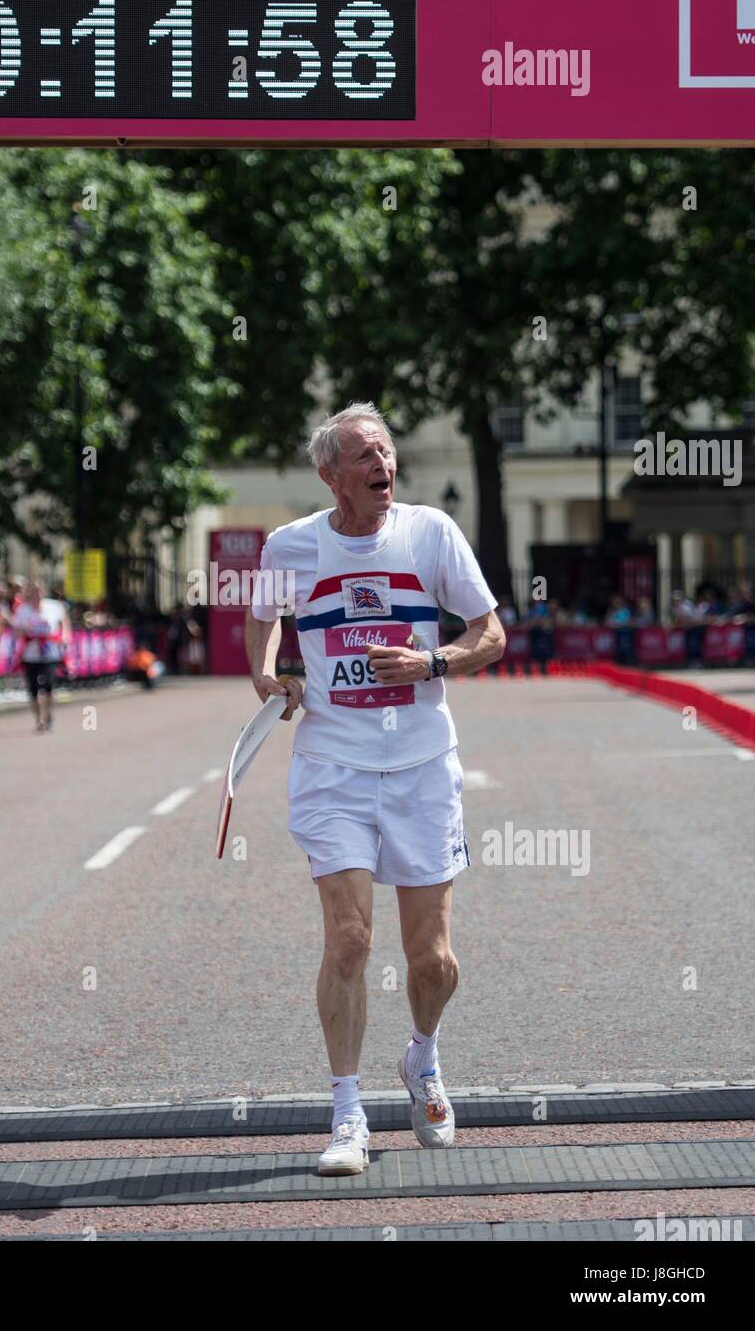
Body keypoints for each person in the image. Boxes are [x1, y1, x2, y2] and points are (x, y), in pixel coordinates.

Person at [245, 402, 505, 1176]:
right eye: (362, 456)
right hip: (334, 769)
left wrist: (433, 663)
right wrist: (269, 674)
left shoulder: (431, 533)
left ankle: (422, 1057)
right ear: (330, 475)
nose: (381, 465)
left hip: (424, 769)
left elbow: (490, 634)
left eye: (385, 451)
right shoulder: (291, 545)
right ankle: (346, 1112)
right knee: (350, 941)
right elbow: (264, 621)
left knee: (433, 961)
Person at [13, 580, 70, 731]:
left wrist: (65, 637)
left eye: (38, 591)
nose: (36, 594)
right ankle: (38, 720)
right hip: (30, 654)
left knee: (49, 684)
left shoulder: (54, 606)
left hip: (50, 652)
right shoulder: (22, 610)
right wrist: (27, 630)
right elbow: (16, 632)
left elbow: (64, 623)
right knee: (33, 688)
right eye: (32, 591)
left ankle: (49, 715)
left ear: (42, 592)